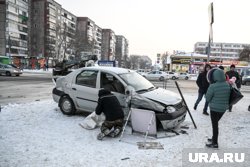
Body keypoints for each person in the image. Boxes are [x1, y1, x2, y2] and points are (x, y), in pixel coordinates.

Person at [205, 68, 231, 148]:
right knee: (216, 124)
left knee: (215, 126)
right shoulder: (227, 85)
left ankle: (215, 143)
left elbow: (207, 98)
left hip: (214, 109)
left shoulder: (213, 86)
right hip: (223, 109)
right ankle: (214, 139)